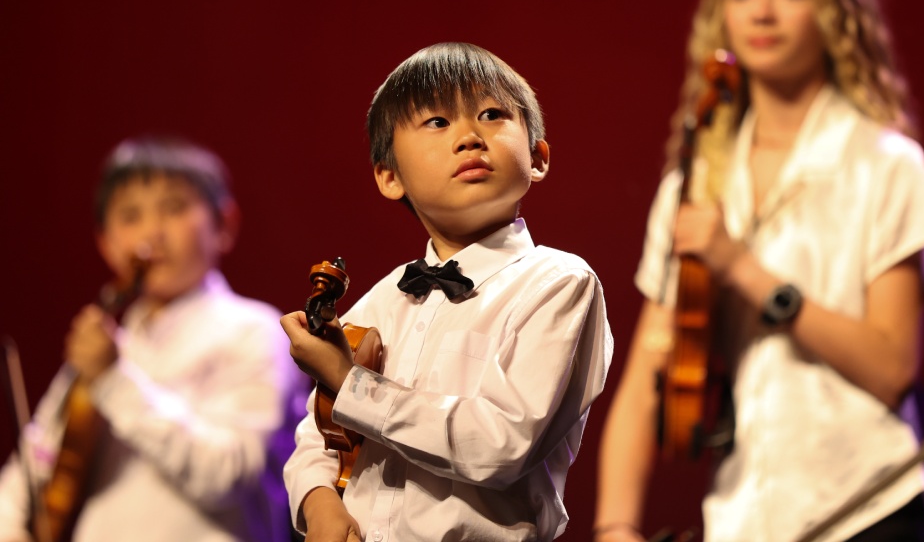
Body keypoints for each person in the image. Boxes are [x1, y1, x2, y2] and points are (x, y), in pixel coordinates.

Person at [594, 0, 924, 542]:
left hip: (869, 509)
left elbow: (891, 366)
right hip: (744, 518)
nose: (762, 11)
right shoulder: (696, 179)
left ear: (834, 13)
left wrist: (744, 269)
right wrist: (614, 526)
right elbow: (648, 376)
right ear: (723, 13)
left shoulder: (884, 164)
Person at [280, 42, 614, 542]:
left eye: (491, 114)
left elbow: (500, 444)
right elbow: (317, 436)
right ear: (390, 177)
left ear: (538, 157)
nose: (469, 136)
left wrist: (352, 385)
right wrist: (319, 500)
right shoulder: (383, 297)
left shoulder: (560, 283)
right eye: (438, 122)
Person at [0, 137, 303, 542]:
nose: (152, 233)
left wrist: (113, 379)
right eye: (130, 216)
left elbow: (228, 474)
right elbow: (35, 465)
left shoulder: (255, 330)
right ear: (105, 243)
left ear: (224, 225)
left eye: (174, 208)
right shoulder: (109, 345)